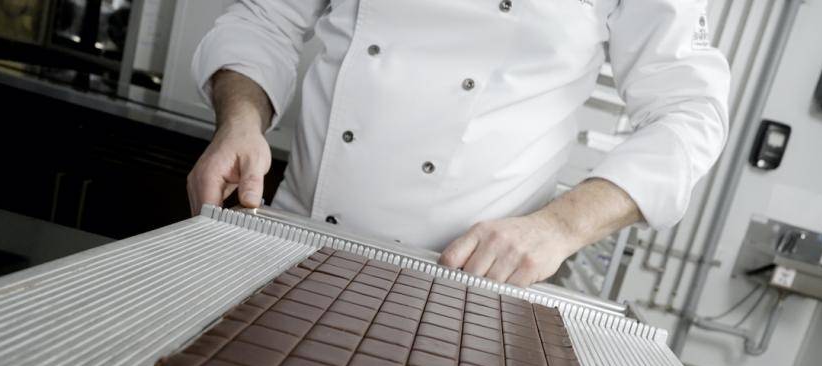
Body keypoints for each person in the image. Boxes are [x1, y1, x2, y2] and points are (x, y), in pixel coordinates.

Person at [187, 0, 729, 287]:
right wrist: (239, 120)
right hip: (289, 244)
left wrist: (561, 227)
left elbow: (687, 113)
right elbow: (264, 18)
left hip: (469, 282)